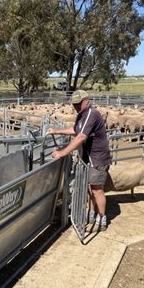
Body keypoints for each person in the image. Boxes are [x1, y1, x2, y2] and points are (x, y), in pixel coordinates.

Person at [47, 90, 111, 232]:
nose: (76, 106)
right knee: (90, 189)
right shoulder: (82, 115)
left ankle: (102, 221)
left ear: (86, 100)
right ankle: (92, 215)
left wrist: (62, 153)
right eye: (74, 104)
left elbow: (81, 136)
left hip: (97, 158)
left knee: (97, 190)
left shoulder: (91, 113)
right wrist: (56, 131)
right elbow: (75, 130)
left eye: (79, 103)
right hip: (90, 158)